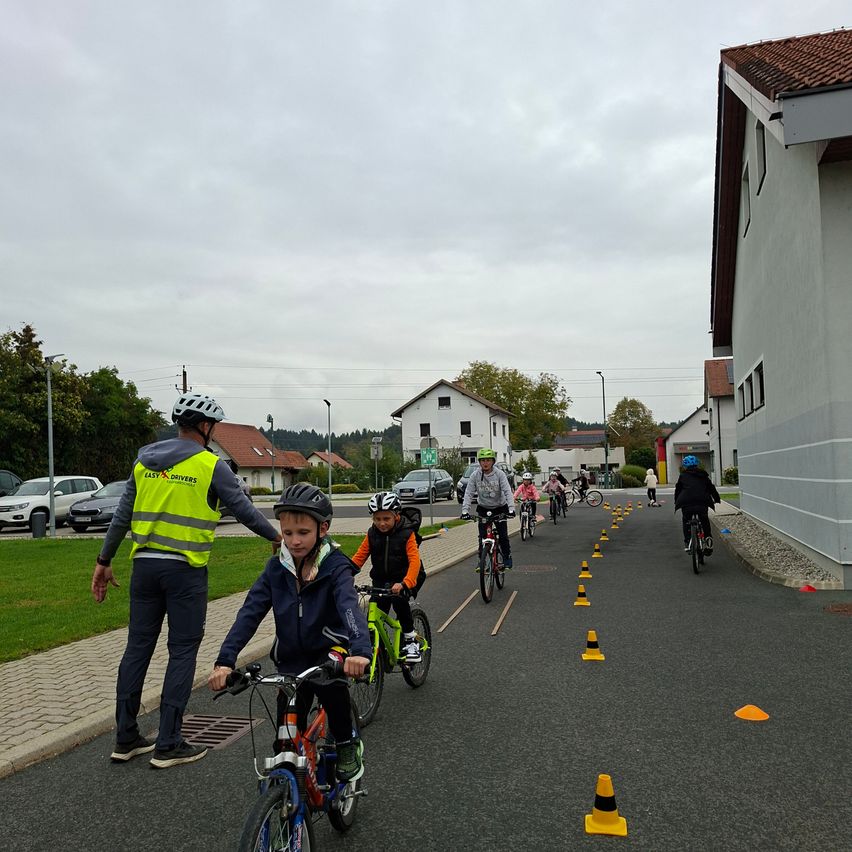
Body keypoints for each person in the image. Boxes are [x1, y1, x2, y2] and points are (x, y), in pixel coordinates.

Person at [90, 392, 283, 769]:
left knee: (137, 649)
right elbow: (243, 510)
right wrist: (276, 537)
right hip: (185, 572)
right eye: (214, 426)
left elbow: (122, 516)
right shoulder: (210, 465)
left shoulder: (143, 461)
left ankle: (125, 737)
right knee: (182, 651)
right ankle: (168, 743)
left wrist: (103, 560)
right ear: (204, 426)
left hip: (144, 568)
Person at [208, 483, 370, 782]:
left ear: (323, 529)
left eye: (303, 533)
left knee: (333, 693)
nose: (294, 541)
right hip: (291, 658)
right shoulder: (276, 569)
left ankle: (347, 743)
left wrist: (359, 651)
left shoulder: (335, 567)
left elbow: (350, 608)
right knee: (285, 733)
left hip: (329, 653)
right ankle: (286, 789)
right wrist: (225, 660)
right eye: (288, 532)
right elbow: (249, 614)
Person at [351, 491, 425, 663]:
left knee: (399, 602)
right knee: (376, 608)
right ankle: (374, 645)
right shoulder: (372, 533)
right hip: (381, 579)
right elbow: (359, 556)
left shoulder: (407, 533)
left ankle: (411, 640)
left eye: (386, 518)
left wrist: (405, 583)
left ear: (396, 516)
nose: (381, 523)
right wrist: (345, 574)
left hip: (407, 577)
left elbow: (414, 561)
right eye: (377, 519)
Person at [461, 447, 515, 569]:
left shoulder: (500, 474)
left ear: (493, 461)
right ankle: (482, 560)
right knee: (482, 537)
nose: (485, 463)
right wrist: (465, 511)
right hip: (483, 508)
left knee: (503, 536)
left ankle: (507, 556)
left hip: (500, 507)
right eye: (483, 460)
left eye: (488, 460)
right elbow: (468, 493)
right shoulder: (475, 475)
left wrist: (511, 509)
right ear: (479, 462)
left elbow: (507, 491)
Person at [674, 455, 720, 553]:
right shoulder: (704, 475)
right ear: (697, 464)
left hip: (686, 503)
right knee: (704, 520)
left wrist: (676, 501)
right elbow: (711, 488)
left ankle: (688, 542)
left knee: (686, 520)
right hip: (702, 502)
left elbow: (678, 490)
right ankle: (708, 541)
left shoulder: (683, 476)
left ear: (685, 466)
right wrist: (716, 499)